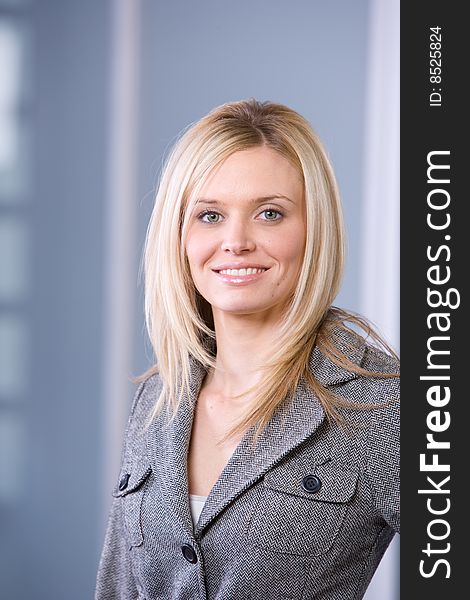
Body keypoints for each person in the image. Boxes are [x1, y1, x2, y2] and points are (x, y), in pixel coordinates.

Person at [95, 99, 399, 600]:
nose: (235, 241)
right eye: (210, 215)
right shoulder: (158, 400)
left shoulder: (381, 404)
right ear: (179, 235)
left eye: (270, 214)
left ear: (313, 229)